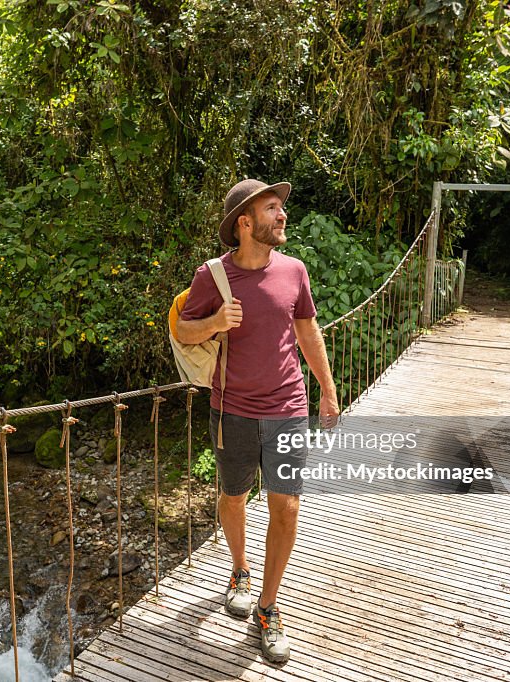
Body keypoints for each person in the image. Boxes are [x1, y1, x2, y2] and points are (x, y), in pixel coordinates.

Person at [175, 178, 339, 663]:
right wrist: (214, 322)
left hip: (288, 407)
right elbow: (184, 330)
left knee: (286, 506)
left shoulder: (294, 271)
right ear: (245, 223)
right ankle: (239, 570)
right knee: (233, 495)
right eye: (272, 209)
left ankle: (268, 607)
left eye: (281, 208)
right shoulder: (211, 277)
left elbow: (308, 333)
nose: (282, 215)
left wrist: (327, 392)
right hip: (232, 411)